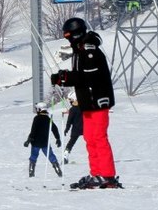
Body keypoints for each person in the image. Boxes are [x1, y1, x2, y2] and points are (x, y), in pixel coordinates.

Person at [51, 17, 122, 190]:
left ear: (76, 34)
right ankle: (96, 173)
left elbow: (89, 76)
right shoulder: (80, 50)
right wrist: (64, 77)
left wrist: (64, 78)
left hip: (97, 101)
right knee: (90, 138)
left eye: (69, 36)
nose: (68, 40)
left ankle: (107, 176)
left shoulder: (89, 50)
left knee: (98, 137)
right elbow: (81, 75)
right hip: (87, 104)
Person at [24, 102, 62, 177]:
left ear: (39, 109)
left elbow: (33, 130)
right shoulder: (48, 119)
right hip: (45, 142)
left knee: (33, 156)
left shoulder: (36, 118)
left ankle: (31, 171)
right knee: (51, 156)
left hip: (36, 142)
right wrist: (58, 138)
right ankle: (57, 169)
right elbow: (54, 129)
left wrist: (29, 140)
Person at [62, 93, 84, 164]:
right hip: (84, 128)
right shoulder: (83, 107)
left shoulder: (72, 109)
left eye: (71, 100)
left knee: (71, 142)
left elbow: (69, 121)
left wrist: (67, 128)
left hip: (77, 129)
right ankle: (65, 156)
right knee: (90, 142)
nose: (70, 102)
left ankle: (65, 155)